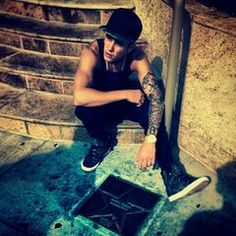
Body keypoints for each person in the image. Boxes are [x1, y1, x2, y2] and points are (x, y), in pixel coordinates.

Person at [73, 8, 210, 202]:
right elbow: (79, 96)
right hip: (102, 101)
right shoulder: (92, 53)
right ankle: (102, 141)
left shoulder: (137, 58)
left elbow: (156, 98)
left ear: (130, 47)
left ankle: (172, 175)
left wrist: (150, 139)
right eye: (109, 37)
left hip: (124, 102)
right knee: (83, 109)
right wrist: (126, 93)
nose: (110, 47)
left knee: (152, 111)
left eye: (119, 43)